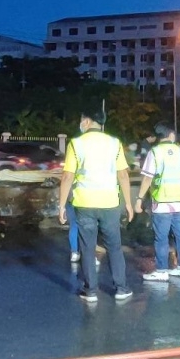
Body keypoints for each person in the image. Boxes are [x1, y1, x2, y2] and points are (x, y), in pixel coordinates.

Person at [58, 107, 134, 302]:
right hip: (109, 203)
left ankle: (90, 291)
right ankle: (121, 288)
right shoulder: (114, 143)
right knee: (114, 247)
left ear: (88, 121)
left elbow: (67, 176)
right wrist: (129, 203)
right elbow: (123, 174)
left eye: (82, 119)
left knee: (87, 247)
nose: (81, 123)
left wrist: (60, 206)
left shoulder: (76, 143)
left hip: (84, 203)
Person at [137, 123, 180, 282]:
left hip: (162, 201)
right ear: (171, 136)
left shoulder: (155, 152)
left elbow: (147, 177)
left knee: (161, 238)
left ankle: (161, 271)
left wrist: (139, 199)